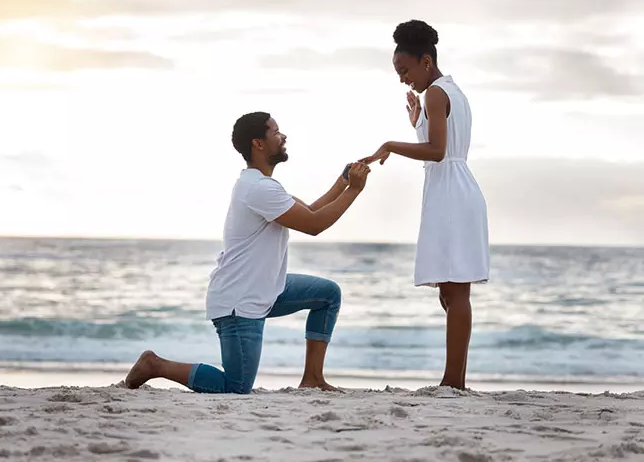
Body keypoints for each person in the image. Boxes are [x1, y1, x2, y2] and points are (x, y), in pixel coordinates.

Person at [125, 111, 371, 394]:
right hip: (238, 300)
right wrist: (355, 190)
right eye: (276, 132)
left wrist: (343, 182)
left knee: (328, 294)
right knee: (237, 386)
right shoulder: (258, 189)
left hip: (266, 290)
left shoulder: (263, 186)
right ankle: (156, 365)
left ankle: (313, 378)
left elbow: (312, 210)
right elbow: (314, 225)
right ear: (259, 143)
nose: (283, 136)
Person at [360, 20, 489, 390]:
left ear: (426, 62)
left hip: (451, 193)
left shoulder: (436, 93)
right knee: (449, 291)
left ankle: (453, 382)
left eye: (404, 70)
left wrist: (390, 145)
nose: (402, 79)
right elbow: (440, 142)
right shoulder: (449, 91)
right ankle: (455, 379)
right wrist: (417, 121)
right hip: (453, 190)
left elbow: (437, 151)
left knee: (456, 290)